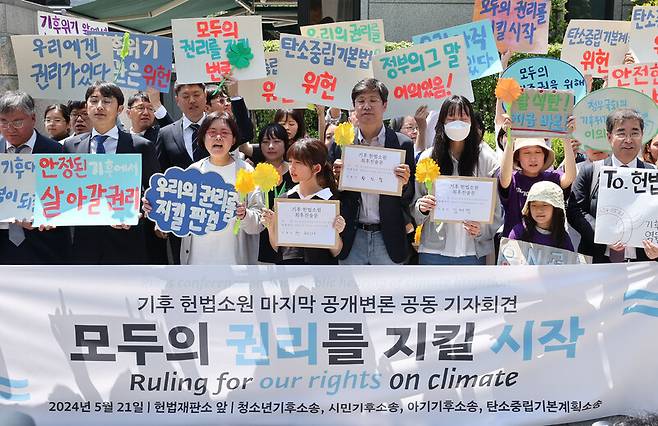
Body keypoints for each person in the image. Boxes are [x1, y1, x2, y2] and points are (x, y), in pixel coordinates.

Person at [63, 81, 160, 264]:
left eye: (107, 101)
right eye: (94, 101)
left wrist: (140, 211)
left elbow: (153, 193)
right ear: (87, 106)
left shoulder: (140, 146)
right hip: (84, 244)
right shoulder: (71, 146)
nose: (99, 106)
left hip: (126, 241)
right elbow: (65, 191)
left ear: (120, 108)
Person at [329, 78, 414, 265]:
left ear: (384, 105)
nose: (366, 106)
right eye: (361, 101)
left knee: (389, 294)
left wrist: (405, 182)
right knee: (352, 294)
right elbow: (329, 193)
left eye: (373, 100)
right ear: (353, 107)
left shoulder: (402, 144)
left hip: (388, 236)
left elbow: (409, 196)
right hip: (351, 235)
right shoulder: (340, 144)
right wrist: (336, 181)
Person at [413, 95, 502, 265]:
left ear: (471, 122)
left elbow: (496, 210)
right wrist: (422, 207)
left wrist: (482, 229)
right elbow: (414, 206)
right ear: (442, 122)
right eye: (451, 118)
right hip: (433, 251)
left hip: (472, 252)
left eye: (463, 118)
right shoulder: (428, 157)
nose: (457, 122)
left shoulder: (486, 158)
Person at [567, 108, 658, 262]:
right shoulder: (591, 172)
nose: (628, 139)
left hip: (643, 266)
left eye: (635, 133)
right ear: (609, 137)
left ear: (642, 137)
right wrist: (603, 233)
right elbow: (575, 211)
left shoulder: (653, 175)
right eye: (621, 133)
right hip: (598, 263)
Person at [178, 112, 263, 265]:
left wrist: (244, 215)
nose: (218, 137)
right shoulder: (193, 171)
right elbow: (177, 211)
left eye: (224, 133)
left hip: (235, 264)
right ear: (203, 138)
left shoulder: (247, 172)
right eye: (212, 133)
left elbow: (258, 224)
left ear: (234, 139)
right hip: (196, 264)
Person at [0, 91, 71, 264]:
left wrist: (45, 216)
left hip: (45, 249)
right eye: (3, 121)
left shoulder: (57, 152)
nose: (9, 128)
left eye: (17, 122)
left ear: (32, 118)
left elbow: (68, 200)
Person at [261, 138, 346, 264]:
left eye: (299, 162)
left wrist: (336, 231)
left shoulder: (329, 202)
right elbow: (277, 247)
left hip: (320, 275)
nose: (292, 167)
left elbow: (336, 251)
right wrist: (270, 226)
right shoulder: (285, 200)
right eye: (290, 162)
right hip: (288, 274)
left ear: (316, 168)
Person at [498, 116, 577, 237]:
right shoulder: (513, 179)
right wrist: (510, 140)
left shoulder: (552, 178)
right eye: (526, 152)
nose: (533, 158)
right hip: (514, 248)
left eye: (538, 152)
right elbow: (504, 178)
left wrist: (566, 137)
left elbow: (570, 177)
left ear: (544, 155)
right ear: (517, 156)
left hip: (547, 248)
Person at [156, 82, 207, 171]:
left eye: (196, 95)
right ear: (177, 101)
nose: (192, 100)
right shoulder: (165, 134)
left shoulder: (220, 128)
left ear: (205, 96)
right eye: (186, 97)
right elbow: (161, 172)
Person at [509, 181, 574, 251]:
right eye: (534, 205)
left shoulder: (563, 238)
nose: (539, 210)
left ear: (556, 208)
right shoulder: (519, 232)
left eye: (545, 205)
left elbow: (570, 260)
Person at [205, 79, 254, 145]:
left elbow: (246, 134)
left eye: (227, 100)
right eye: (221, 101)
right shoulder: (199, 129)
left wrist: (235, 96)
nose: (227, 104)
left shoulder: (232, 124)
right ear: (207, 108)